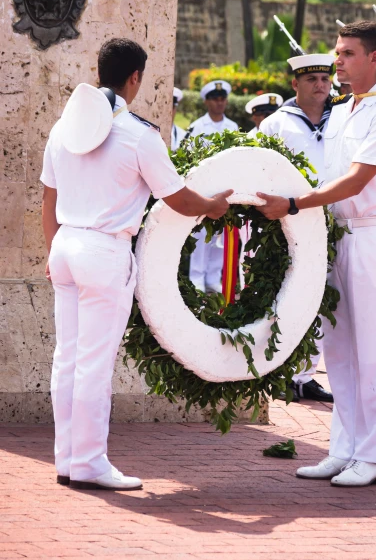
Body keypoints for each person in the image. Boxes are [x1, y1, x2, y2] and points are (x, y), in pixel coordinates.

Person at [41, 39, 232, 491]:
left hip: (65, 243)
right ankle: (88, 462)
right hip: (104, 251)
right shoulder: (139, 134)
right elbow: (178, 198)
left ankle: (67, 458)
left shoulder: (61, 128)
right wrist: (213, 205)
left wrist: (53, 252)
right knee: (92, 363)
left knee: (66, 358)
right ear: (135, 78)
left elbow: (48, 198)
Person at [258, 21, 376, 487]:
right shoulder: (342, 110)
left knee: (372, 350)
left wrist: (293, 205)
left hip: (371, 235)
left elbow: (357, 180)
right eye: (337, 52)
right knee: (338, 350)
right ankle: (342, 449)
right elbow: (323, 175)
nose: (336, 61)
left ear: (374, 59)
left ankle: (372, 456)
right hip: (337, 234)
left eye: (346, 53)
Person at [260, 54, 335, 403]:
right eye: (311, 79)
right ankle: (281, 371)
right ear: (295, 84)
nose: (320, 85)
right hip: (288, 220)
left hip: (334, 220)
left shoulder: (343, 119)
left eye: (325, 78)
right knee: (287, 295)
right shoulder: (276, 124)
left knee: (323, 300)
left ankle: (306, 374)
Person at [186, 80, 238, 293]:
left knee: (220, 238)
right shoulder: (198, 127)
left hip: (225, 188)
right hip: (204, 188)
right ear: (207, 102)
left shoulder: (233, 127)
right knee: (200, 236)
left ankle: (213, 277)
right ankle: (196, 278)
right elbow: (189, 157)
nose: (219, 103)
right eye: (215, 99)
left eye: (222, 99)